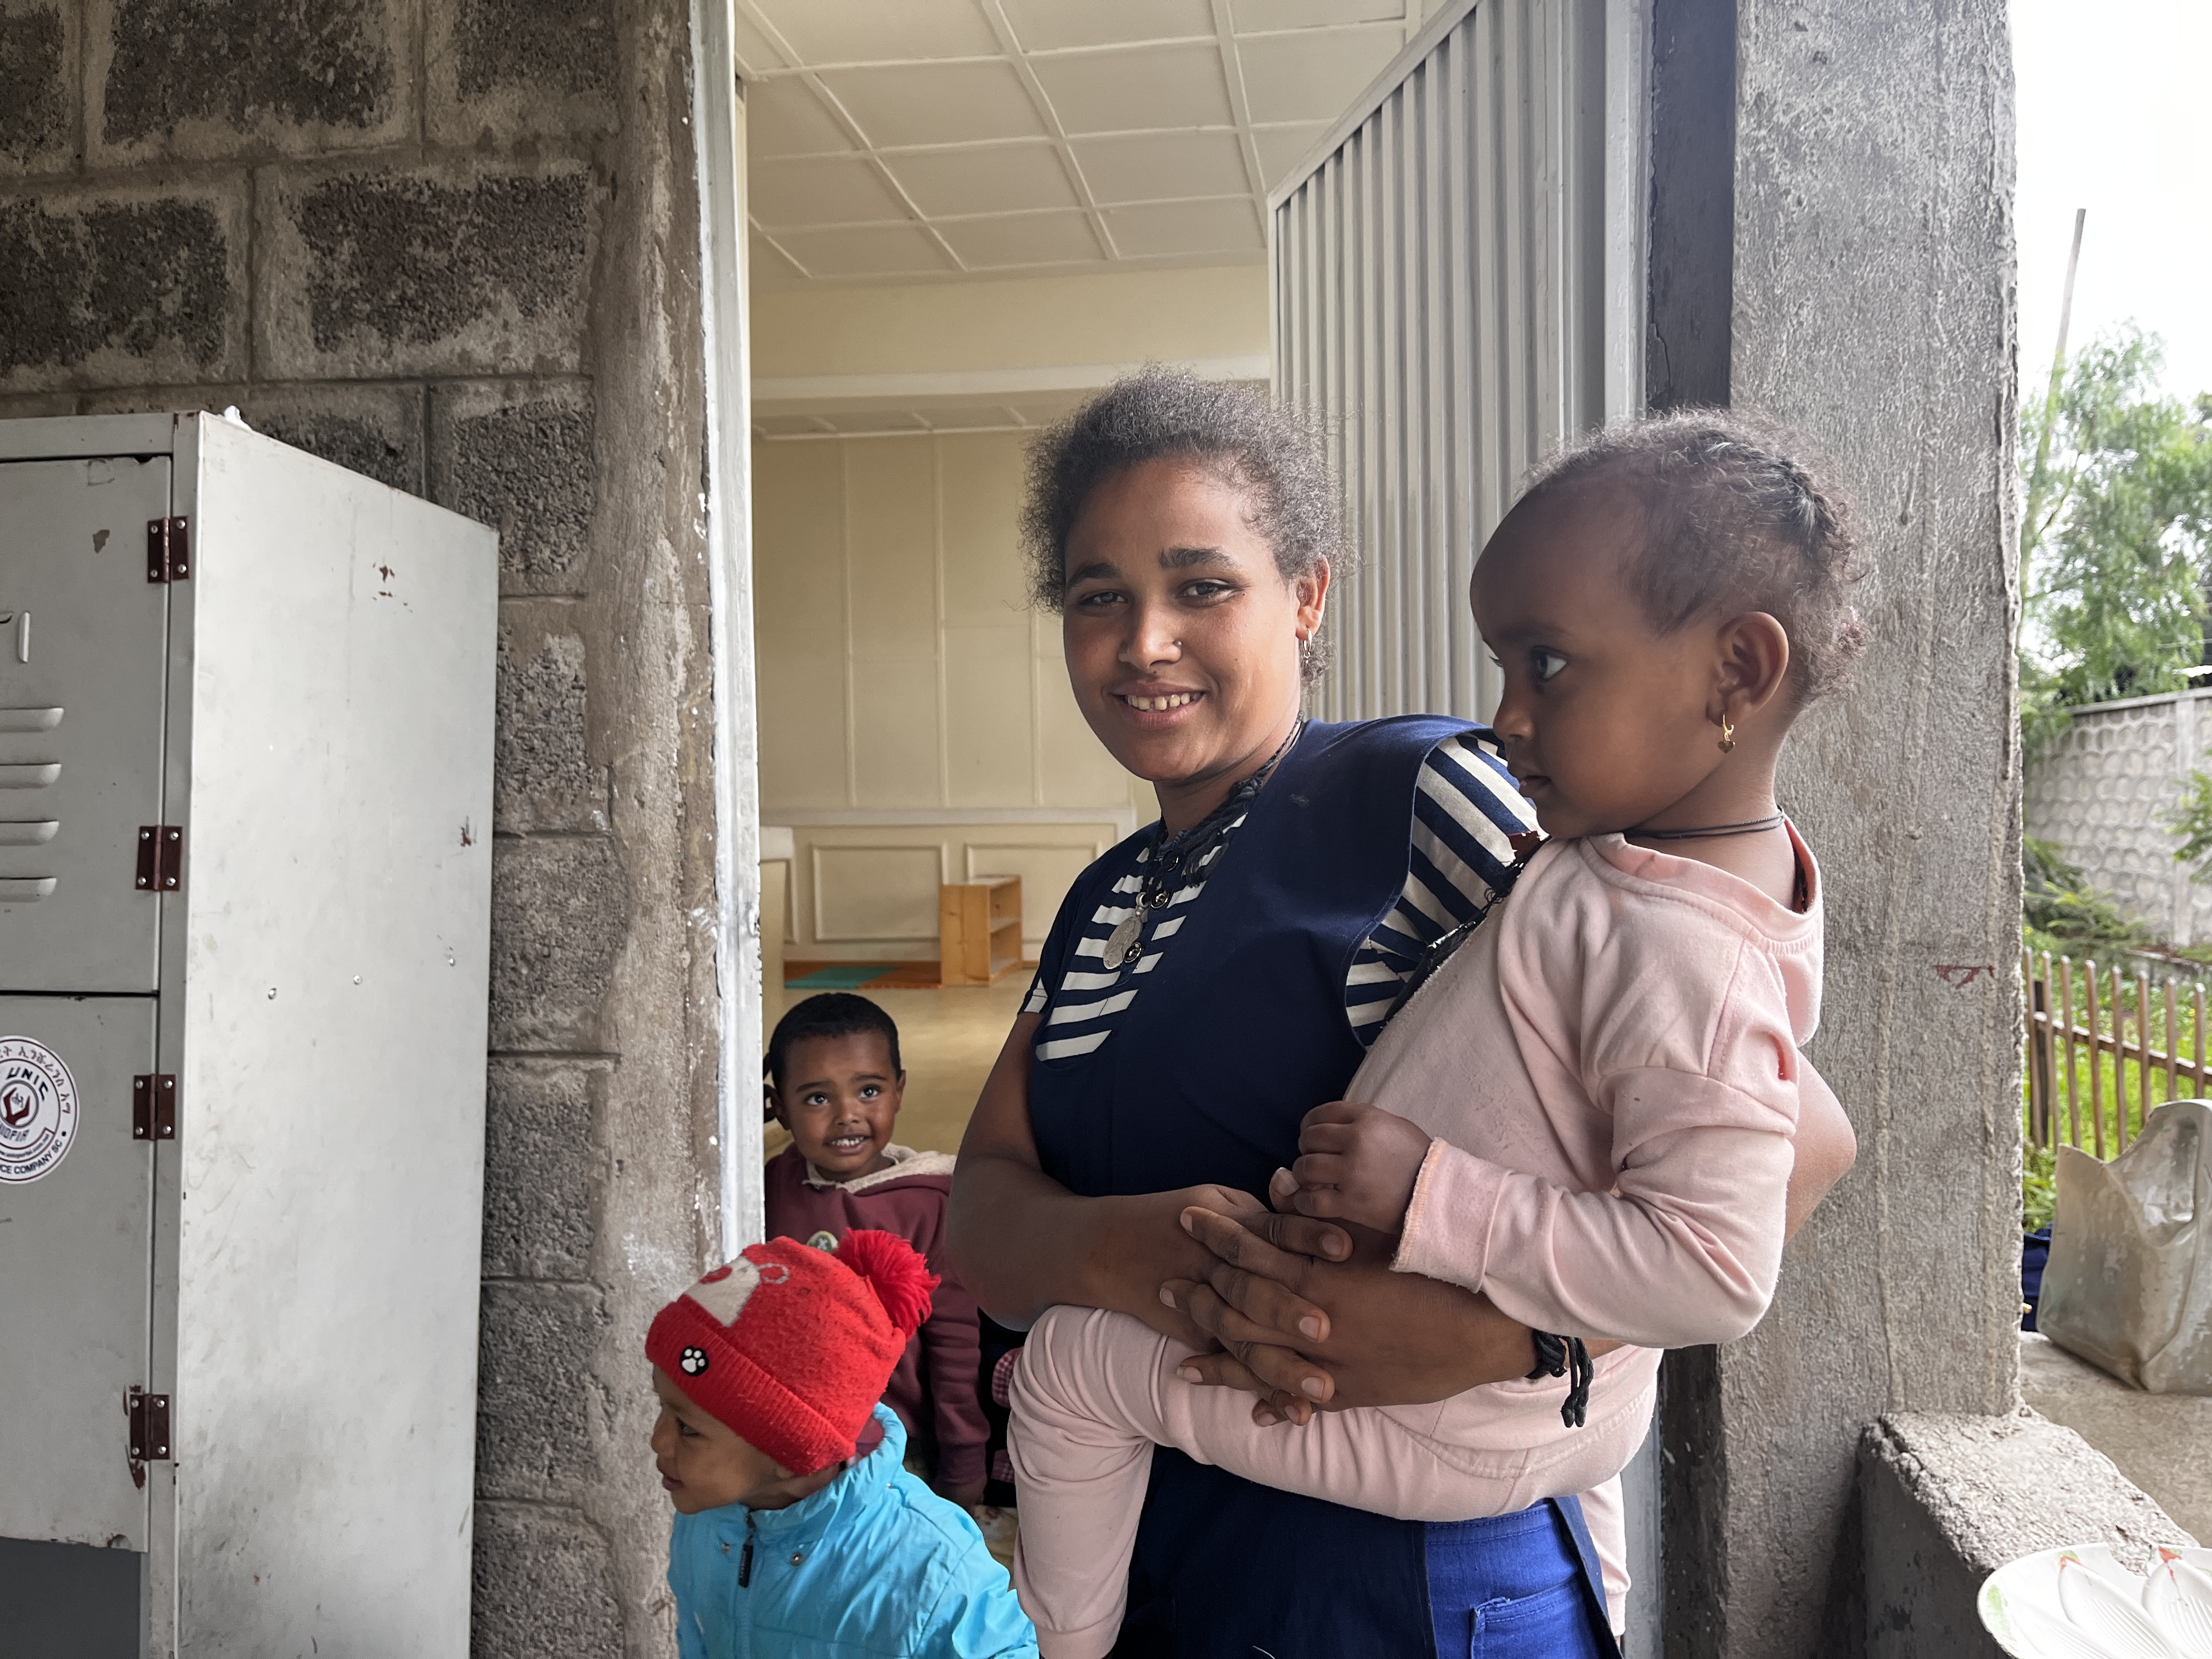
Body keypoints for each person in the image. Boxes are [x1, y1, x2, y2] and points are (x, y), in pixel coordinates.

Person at [946, 368, 1861, 1657]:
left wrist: (1488, 1336)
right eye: (1100, 598)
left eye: (1201, 586)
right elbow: (979, 1211)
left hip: (1404, 1576)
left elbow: (1798, 1144)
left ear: (1306, 596)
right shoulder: (1104, 901)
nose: (1144, 639)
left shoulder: (1422, 794)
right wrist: (1132, 1256)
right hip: (1164, 1539)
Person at [646, 1229, 1038, 1658]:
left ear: (790, 1451)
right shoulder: (708, 1522)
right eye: (663, 1409)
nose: (657, 1441)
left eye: (687, 1428)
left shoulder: (930, 1571)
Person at [763, 994, 987, 1505]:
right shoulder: (769, 1184)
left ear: (900, 1090)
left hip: (895, 1454)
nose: (847, 1115)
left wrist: (964, 1462)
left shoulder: (930, 1203)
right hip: (785, 1448)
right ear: (778, 1107)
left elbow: (955, 1347)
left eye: (869, 1090)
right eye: (817, 1098)